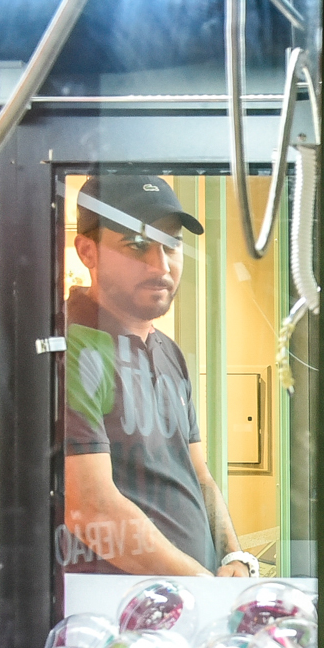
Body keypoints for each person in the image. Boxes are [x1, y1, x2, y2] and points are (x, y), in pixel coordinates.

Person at [64, 174, 253, 577]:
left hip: (192, 596)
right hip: (125, 604)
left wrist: (233, 556)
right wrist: (202, 585)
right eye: (136, 245)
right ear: (87, 252)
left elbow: (199, 475)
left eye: (171, 245)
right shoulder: (72, 346)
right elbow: (91, 507)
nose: (161, 266)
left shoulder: (169, 351)